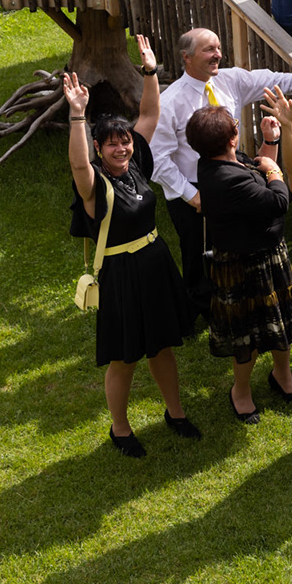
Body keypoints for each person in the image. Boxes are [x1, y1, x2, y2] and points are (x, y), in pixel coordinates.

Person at [60, 49, 202, 458]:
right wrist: (77, 114)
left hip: (156, 265)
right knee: (125, 358)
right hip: (121, 275)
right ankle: (120, 429)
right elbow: (78, 165)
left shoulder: (136, 162)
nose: (122, 149)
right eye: (112, 145)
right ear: (98, 149)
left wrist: (150, 71)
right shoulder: (93, 185)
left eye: (125, 141)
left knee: (162, 346)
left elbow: (150, 114)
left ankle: (175, 413)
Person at [150, 28, 292, 309]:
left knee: (239, 249)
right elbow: (157, 160)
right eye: (208, 49)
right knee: (199, 254)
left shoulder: (231, 80)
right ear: (186, 57)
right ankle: (201, 308)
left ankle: (240, 304)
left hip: (232, 180)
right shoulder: (169, 102)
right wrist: (191, 195)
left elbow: (276, 80)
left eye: (218, 48)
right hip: (194, 191)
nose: (217, 55)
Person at [188, 99, 292, 424]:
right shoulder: (224, 179)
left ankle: (282, 376)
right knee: (247, 336)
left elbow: (256, 168)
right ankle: (241, 392)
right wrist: (275, 171)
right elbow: (277, 201)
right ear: (232, 139)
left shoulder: (224, 162)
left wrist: (270, 141)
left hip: (270, 255)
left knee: (281, 322)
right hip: (242, 266)